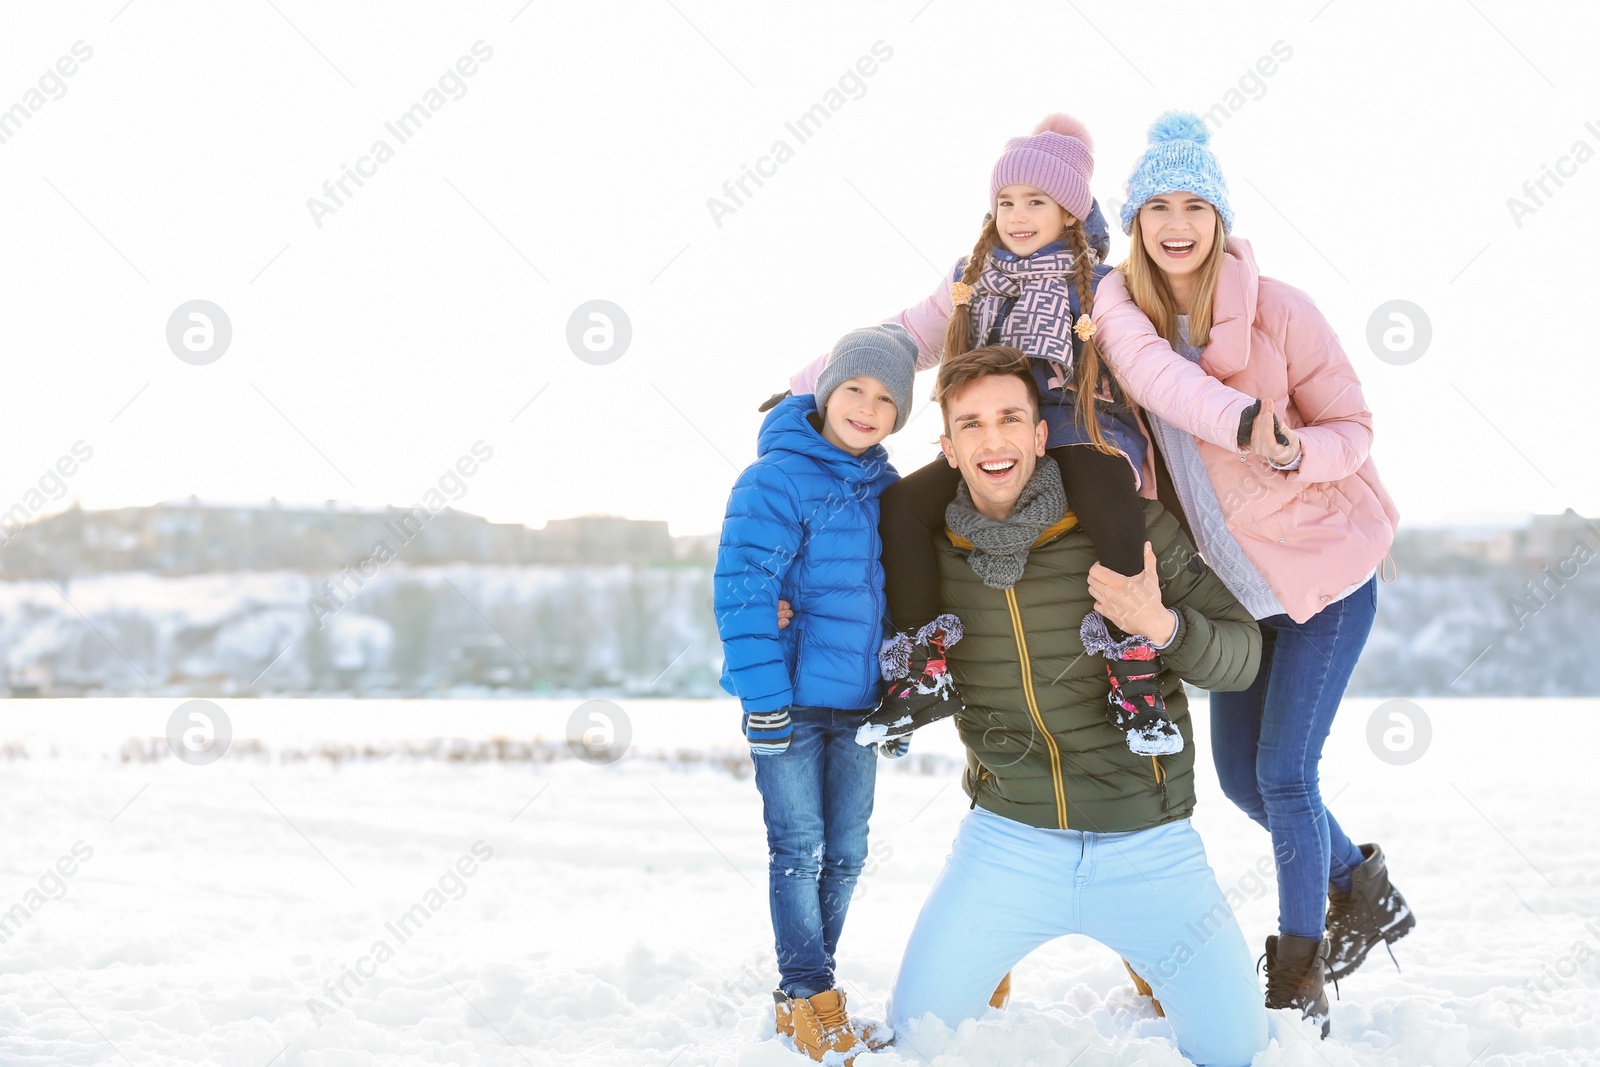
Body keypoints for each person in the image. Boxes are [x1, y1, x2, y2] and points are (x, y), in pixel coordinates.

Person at [1091, 111, 1415, 1036]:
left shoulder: (1283, 310)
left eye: (1196, 203)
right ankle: (1362, 885)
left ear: (1221, 217)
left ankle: (1299, 973)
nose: (1178, 223)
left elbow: (1353, 431)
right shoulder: (1129, 326)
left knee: (1284, 773)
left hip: (1326, 584)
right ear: (1139, 219)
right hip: (1240, 603)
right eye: (1159, 205)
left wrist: (1290, 453)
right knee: (1239, 777)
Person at [885, 343, 1268, 1067]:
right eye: (970, 424)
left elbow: (1244, 656)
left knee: (1236, 1052)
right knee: (916, 1038)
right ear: (947, 446)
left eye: (1009, 419)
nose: (992, 440)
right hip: (1007, 841)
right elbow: (843, 618)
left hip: (1148, 843)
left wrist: (1162, 625)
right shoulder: (924, 553)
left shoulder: (1130, 525)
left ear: (1040, 435)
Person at [787, 114, 1209, 759]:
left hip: (1074, 420)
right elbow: (901, 336)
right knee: (903, 506)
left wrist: (1229, 417)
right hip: (993, 434)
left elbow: (1148, 364)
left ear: (1069, 213)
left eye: (1036, 201)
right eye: (1006, 201)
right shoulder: (971, 277)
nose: (1017, 214)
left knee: (1105, 490)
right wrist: (802, 388)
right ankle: (926, 665)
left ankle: (1133, 673)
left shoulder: (1098, 285)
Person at [714, 324, 917, 1065]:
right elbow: (742, 595)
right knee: (797, 847)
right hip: (792, 702)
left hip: (860, 703)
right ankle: (810, 995)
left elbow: (899, 601)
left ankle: (803, 997)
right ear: (827, 390)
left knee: (850, 851)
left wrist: (900, 699)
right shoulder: (772, 479)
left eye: (887, 398)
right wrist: (763, 701)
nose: (868, 407)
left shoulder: (888, 491)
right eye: (856, 388)